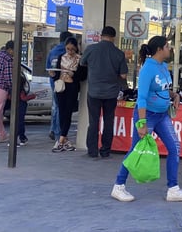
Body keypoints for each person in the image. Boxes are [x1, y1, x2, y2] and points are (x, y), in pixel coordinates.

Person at [111, 36, 182, 202]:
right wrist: (141, 123)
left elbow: (162, 89)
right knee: (135, 150)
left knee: (175, 147)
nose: (170, 48)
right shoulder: (148, 69)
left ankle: (173, 189)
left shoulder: (163, 66)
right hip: (147, 116)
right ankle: (118, 186)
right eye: (167, 46)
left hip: (162, 115)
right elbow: (141, 98)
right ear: (159, 50)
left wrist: (174, 95)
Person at [80, 26, 128, 158]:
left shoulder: (91, 49)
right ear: (114, 37)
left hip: (94, 91)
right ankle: (105, 150)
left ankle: (92, 151)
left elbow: (82, 63)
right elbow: (123, 75)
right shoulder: (118, 53)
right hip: (111, 93)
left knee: (93, 121)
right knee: (108, 121)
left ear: (101, 35)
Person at [51, 37, 87, 152]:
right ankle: (64, 139)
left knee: (67, 112)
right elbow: (56, 73)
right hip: (61, 86)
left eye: (72, 49)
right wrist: (53, 75)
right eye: (68, 49)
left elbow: (83, 76)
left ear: (76, 48)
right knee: (61, 111)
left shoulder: (80, 59)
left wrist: (73, 74)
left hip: (72, 87)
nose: (70, 51)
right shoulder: (61, 57)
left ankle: (61, 139)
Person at [46, 31, 74, 141]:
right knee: (62, 107)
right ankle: (59, 132)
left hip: (54, 82)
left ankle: (53, 129)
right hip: (65, 82)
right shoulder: (66, 52)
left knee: (55, 106)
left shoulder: (52, 51)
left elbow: (48, 68)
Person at [0, 40, 14, 143]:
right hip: (1, 88)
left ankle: (2, 135)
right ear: (10, 50)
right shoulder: (8, 59)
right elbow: (8, 77)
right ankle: (2, 135)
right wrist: (12, 89)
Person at [17, 72, 36, 146]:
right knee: (20, 123)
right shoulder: (21, 90)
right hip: (21, 107)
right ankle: (22, 138)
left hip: (15, 107)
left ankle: (20, 138)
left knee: (16, 123)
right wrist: (32, 96)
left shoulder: (12, 89)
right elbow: (23, 98)